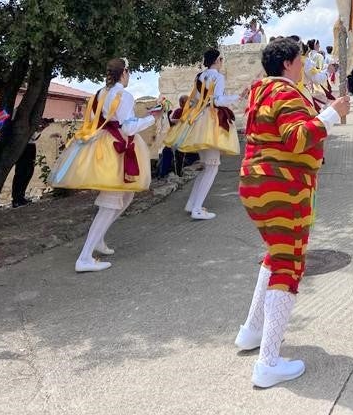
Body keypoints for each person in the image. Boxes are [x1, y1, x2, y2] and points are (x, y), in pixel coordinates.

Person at [234, 38, 350, 388]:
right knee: (288, 264)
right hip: (282, 187)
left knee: (274, 256)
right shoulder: (285, 94)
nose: (303, 66)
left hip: (256, 184)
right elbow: (298, 138)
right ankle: (268, 362)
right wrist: (332, 114)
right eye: (300, 60)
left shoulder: (261, 92)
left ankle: (252, 331)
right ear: (287, 63)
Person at [52, 57, 156, 272]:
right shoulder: (123, 95)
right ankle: (85, 257)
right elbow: (128, 127)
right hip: (115, 147)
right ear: (124, 73)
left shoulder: (99, 94)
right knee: (112, 200)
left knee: (127, 196)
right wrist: (151, 118)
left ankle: (98, 240)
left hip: (102, 145)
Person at [170, 49, 244, 220]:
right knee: (212, 167)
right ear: (217, 60)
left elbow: (195, 100)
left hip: (197, 121)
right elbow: (217, 101)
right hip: (211, 122)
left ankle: (192, 204)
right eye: (221, 59)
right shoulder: (218, 77)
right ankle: (196, 208)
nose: (222, 62)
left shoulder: (199, 77)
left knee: (207, 166)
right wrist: (235, 98)